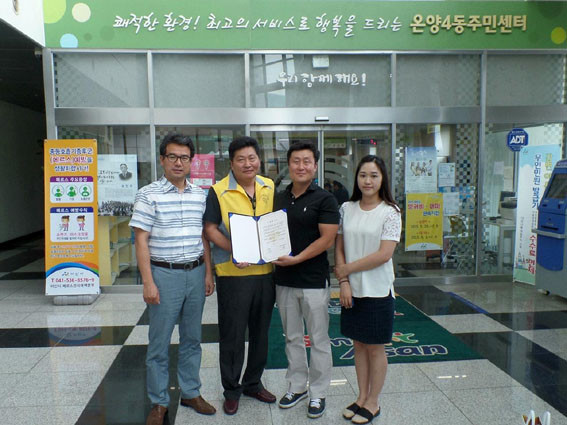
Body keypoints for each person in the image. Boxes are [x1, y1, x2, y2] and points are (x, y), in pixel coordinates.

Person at [130, 134, 216, 425]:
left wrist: (208, 272)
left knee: (192, 338)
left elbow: (203, 237)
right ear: (162, 159)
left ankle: (191, 392)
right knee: (160, 342)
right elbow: (141, 240)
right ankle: (159, 401)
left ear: (191, 161)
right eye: (172, 157)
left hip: (195, 272)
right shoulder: (148, 194)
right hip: (163, 274)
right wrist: (148, 282)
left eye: (184, 157)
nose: (178, 162)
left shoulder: (200, 194)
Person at [203, 136, 277, 415]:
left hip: (265, 272)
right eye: (241, 159)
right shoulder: (218, 191)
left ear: (259, 159)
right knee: (233, 334)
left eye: (252, 158)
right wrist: (234, 249)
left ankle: (253, 383)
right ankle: (232, 390)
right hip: (233, 273)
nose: (248, 164)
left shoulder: (268, 186)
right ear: (231, 163)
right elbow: (210, 229)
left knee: (261, 332)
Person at [273, 141, 340, 419]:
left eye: (307, 161)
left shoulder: (325, 199)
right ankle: (297, 386)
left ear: (315, 166)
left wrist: (298, 258)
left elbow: (327, 239)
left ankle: (319, 392)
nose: (301, 166)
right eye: (296, 161)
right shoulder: (278, 198)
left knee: (319, 339)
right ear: (289, 165)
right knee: (292, 337)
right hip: (284, 280)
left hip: (313, 280)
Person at [334, 155, 401, 425]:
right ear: (357, 178)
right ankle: (361, 397)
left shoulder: (390, 212)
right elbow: (339, 246)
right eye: (363, 175)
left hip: (378, 290)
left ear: (382, 179)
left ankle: (374, 401)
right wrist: (344, 282)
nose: (368, 181)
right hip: (352, 290)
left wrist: (346, 270)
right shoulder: (346, 208)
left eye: (374, 175)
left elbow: (384, 254)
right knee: (358, 345)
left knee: (375, 348)